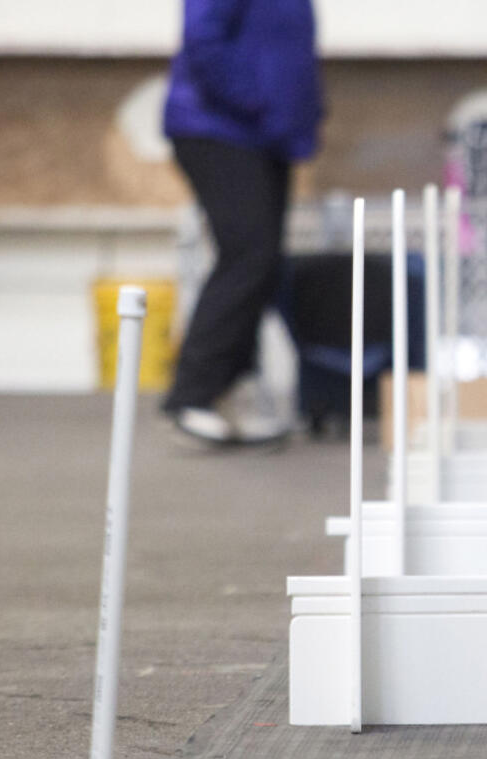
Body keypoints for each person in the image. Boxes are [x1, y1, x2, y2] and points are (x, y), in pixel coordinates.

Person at [161, 0, 323, 446]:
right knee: (247, 256)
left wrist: (301, 118)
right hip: (217, 127)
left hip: (267, 136)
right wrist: (259, 103)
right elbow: (203, 42)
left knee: (263, 263)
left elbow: (286, 50)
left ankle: (234, 386)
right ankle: (190, 395)